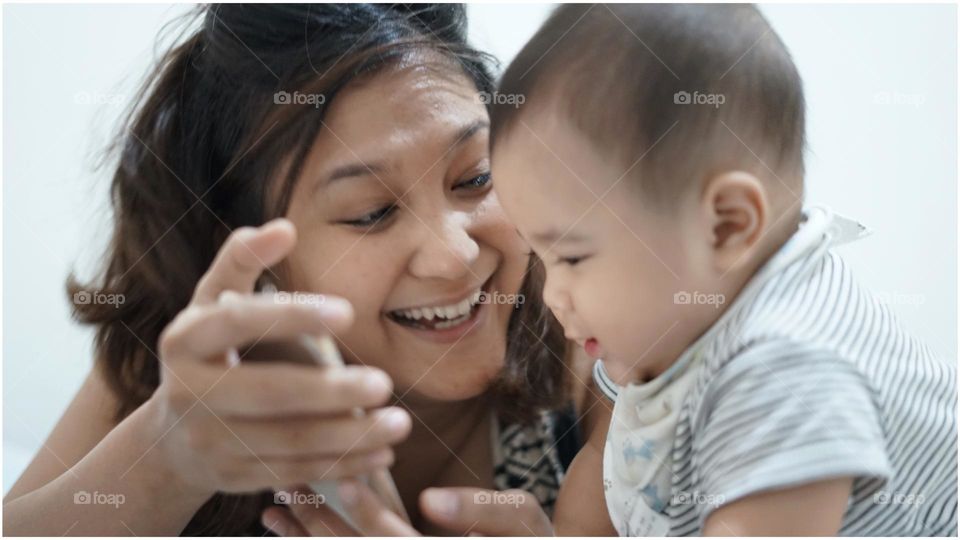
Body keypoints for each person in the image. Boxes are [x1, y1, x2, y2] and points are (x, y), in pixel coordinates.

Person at [3, 4, 600, 536]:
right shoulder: (188, 367)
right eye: (372, 213)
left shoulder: (597, 331)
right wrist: (168, 459)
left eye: (475, 178)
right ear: (250, 255)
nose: (456, 254)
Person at [489, 3, 957, 536]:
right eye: (541, 258)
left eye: (571, 257)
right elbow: (608, 465)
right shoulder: (670, 326)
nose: (553, 294)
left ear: (727, 227)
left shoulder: (788, 368)